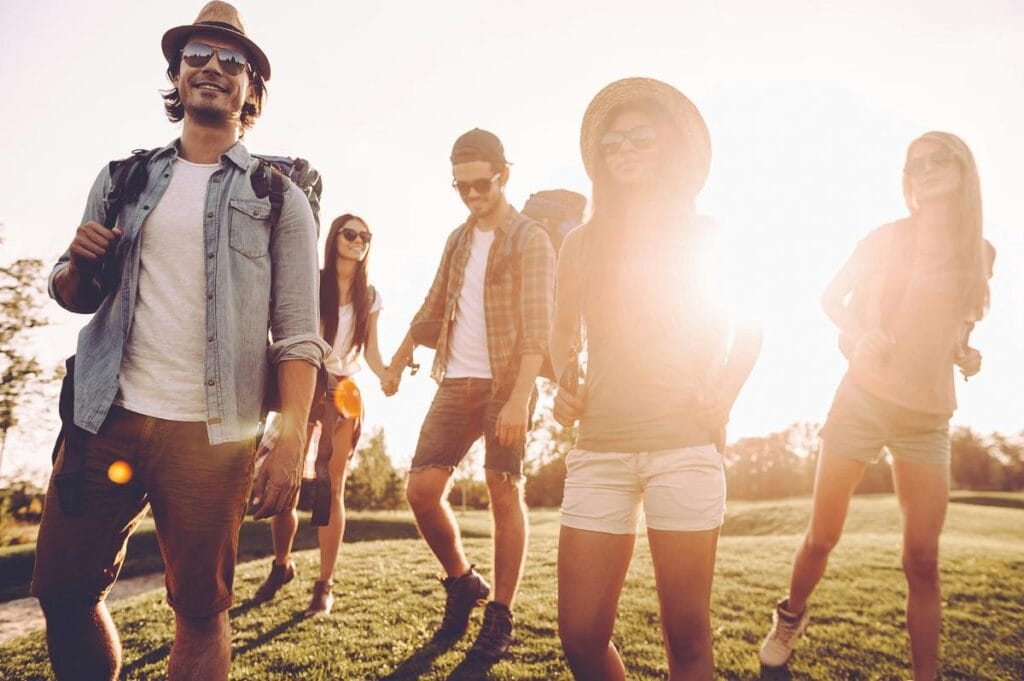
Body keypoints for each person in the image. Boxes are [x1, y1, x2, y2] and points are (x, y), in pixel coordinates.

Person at [29, 3, 327, 679]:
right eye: (198, 54)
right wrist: (77, 264)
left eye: (234, 61)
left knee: (199, 609)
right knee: (61, 591)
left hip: (211, 436)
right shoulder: (122, 180)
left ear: (252, 91)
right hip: (105, 416)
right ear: (177, 74)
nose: (214, 68)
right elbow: (75, 294)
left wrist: (290, 441)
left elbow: (299, 335)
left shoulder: (279, 196)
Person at [758, 131, 995, 680]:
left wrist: (966, 353)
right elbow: (828, 298)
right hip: (863, 400)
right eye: (916, 164)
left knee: (922, 560)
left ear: (964, 171)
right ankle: (790, 617)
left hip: (927, 418)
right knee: (822, 538)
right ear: (906, 179)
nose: (927, 169)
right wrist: (861, 331)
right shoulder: (886, 238)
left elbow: (958, 327)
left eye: (941, 160)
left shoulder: (979, 252)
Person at [550, 77, 762, 681]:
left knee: (688, 637)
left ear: (670, 145)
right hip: (599, 451)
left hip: (685, 450)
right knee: (581, 637)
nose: (623, 149)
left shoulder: (710, 236)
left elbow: (752, 325)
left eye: (640, 136)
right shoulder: (581, 244)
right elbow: (561, 336)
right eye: (611, 143)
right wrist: (566, 381)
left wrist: (724, 391)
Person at [382, 129, 556, 662]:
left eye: (483, 184)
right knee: (421, 490)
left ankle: (500, 613)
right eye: (463, 187)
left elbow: (537, 329)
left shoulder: (531, 239)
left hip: (506, 383)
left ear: (504, 175)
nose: (474, 195)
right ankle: (461, 581)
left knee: (503, 487)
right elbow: (432, 303)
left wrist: (519, 398)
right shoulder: (457, 240)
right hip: (455, 381)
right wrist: (397, 357)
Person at [252, 213, 386, 616]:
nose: (358, 240)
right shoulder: (312, 279)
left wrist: (391, 373)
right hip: (303, 384)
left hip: (343, 393)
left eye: (365, 235)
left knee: (331, 490)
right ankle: (282, 565)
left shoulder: (371, 295)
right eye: (350, 233)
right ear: (334, 238)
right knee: (283, 482)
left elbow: (373, 354)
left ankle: (325, 586)